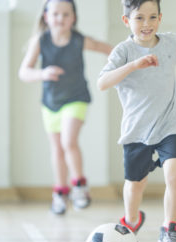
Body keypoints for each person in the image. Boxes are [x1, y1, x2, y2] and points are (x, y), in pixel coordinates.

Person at [98, 0, 176, 242]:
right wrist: (133, 65)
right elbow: (102, 82)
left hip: (169, 125)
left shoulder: (170, 43)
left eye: (153, 17)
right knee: (135, 184)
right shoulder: (123, 51)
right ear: (127, 21)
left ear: (160, 18)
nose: (147, 24)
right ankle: (132, 219)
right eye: (140, 18)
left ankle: (170, 229)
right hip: (137, 130)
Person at [18, 0, 113, 215]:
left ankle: (79, 186)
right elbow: (24, 72)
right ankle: (60, 192)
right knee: (57, 148)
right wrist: (42, 74)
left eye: (65, 14)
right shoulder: (40, 41)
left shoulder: (80, 41)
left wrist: (117, 69)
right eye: (56, 14)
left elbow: (109, 50)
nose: (60, 18)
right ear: (46, 16)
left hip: (76, 98)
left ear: (73, 18)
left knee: (68, 141)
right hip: (50, 103)